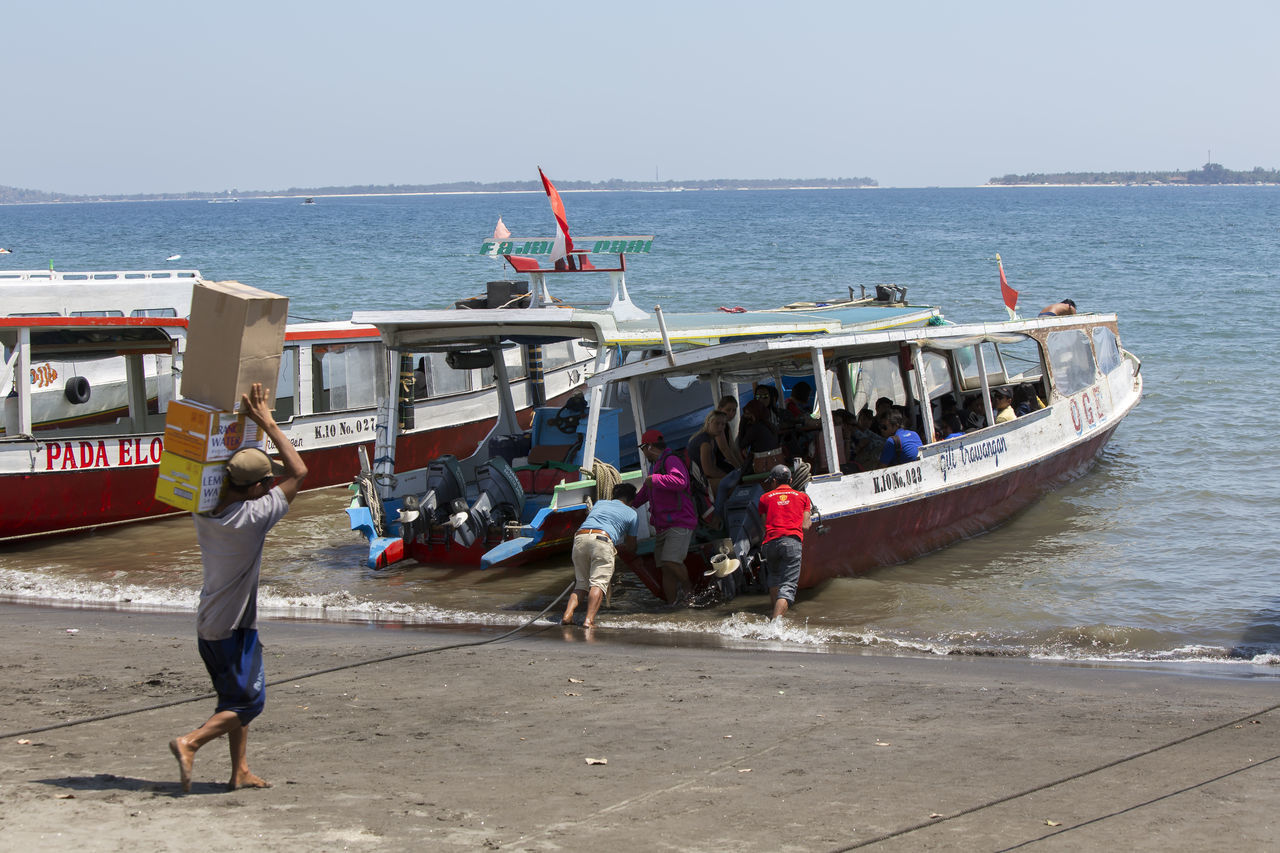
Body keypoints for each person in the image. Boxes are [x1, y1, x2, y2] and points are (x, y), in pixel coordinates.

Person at [169, 382, 307, 794]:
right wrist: (267, 422)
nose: (268, 489)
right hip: (230, 629)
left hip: (210, 623)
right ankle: (190, 742)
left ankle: (240, 770)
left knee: (232, 698)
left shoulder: (204, 510)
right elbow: (299, 472)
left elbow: (209, 463)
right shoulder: (252, 519)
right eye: (263, 485)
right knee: (250, 702)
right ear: (252, 490)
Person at [633, 429, 698, 605]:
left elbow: (680, 481)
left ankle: (688, 589)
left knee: (670, 561)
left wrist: (654, 479)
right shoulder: (656, 465)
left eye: (642, 448)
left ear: (649, 447)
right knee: (665, 569)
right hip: (663, 526)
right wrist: (630, 505)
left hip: (680, 522)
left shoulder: (671, 460)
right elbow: (646, 492)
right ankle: (672, 607)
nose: (643, 452)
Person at [561, 483, 638, 628]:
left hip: (580, 538)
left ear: (613, 496)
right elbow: (631, 545)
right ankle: (589, 620)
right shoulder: (632, 513)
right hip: (602, 541)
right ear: (631, 500)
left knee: (581, 584)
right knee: (598, 584)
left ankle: (567, 614)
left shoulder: (600, 503)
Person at [757, 464, 812, 621]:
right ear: (791, 480)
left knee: (774, 578)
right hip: (791, 542)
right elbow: (805, 525)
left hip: (770, 543)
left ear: (774, 481)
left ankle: (775, 617)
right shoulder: (803, 497)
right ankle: (775, 624)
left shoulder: (764, 498)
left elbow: (764, 523)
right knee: (788, 586)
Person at [687, 409, 741, 496]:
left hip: (703, 480)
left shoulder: (710, 439)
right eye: (717, 423)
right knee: (734, 486)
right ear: (709, 422)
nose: (720, 427)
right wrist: (728, 476)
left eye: (723, 424)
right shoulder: (705, 443)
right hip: (700, 484)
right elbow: (709, 471)